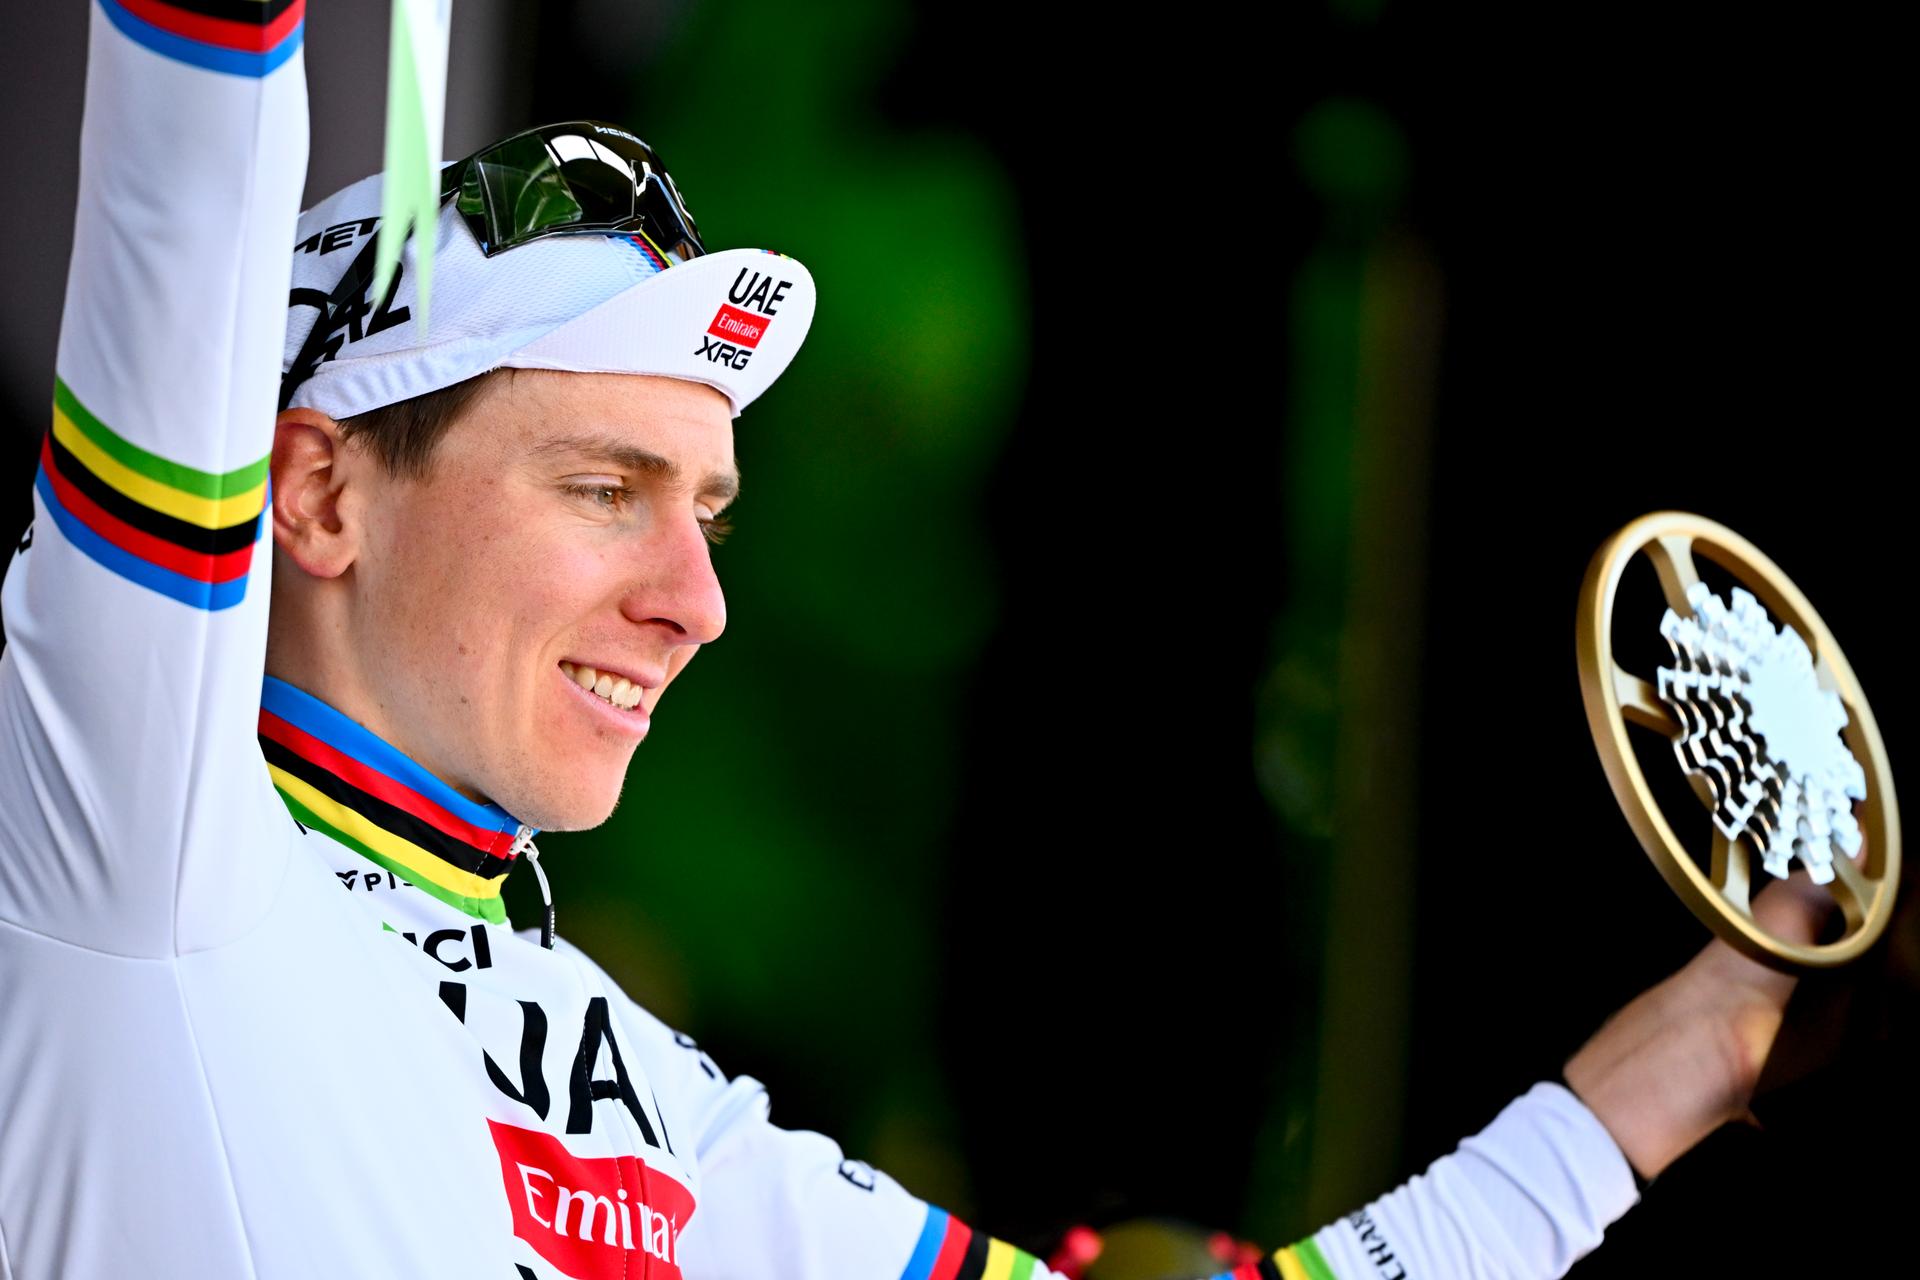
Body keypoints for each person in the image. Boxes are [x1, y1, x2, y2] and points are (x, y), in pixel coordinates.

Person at [0, 6, 1838, 1278]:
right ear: (312, 498)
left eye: (704, 510)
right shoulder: (142, 839)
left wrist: (1698, 1052)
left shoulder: (631, 1094)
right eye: (602, 486)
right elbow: (186, 180)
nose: (693, 598)